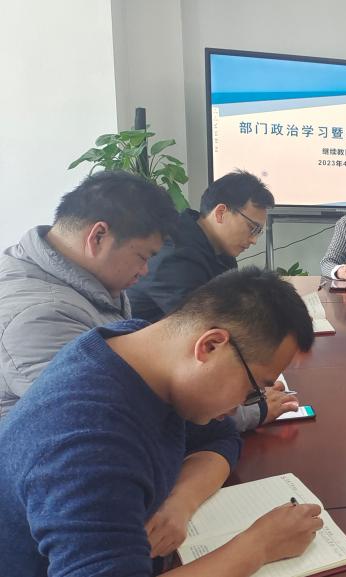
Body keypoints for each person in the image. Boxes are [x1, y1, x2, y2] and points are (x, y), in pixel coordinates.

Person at [0, 268, 321, 576]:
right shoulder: (88, 444)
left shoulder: (143, 352)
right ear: (210, 346)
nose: (244, 404)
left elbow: (221, 438)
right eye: (253, 389)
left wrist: (180, 501)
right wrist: (259, 546)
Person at [127, 170, 296, 430]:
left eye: (259, 232)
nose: (253, 240)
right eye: (251, 228)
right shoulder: (176, 255)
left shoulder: (217, 251)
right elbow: (210, 334)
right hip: (156, 392)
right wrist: (253, 401)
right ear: (220, 212)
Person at [0, 171, 177, 418]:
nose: (144, 271)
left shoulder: (91, 282)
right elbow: (108, 415)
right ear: (98, 237)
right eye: (142, 257)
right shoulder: (40, 317)